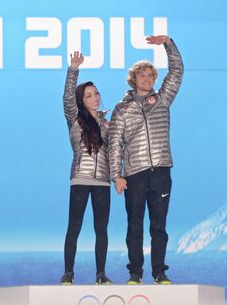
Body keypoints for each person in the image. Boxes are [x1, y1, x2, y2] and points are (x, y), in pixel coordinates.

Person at [108, 35, 183, 285]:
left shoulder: (161, 100)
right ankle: (135, 274)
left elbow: (177, 71)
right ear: (133, 79)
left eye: (151, 76)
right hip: (135, 173)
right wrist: (116, 176)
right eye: (142, 75)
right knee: (135, 227)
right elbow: (114, 144)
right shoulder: (122, 109)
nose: (147, 79)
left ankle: (160, 272)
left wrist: (168, 44)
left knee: (159, 227)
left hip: (161, 171)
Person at [60, 51, 112, 285]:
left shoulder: (108, 124)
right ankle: (68, 273)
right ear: (82, 100)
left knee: (102, 230)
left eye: (96, 93)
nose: (94, 98)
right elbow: (67, 99)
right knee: (75, 227)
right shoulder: (74, 118)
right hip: (80, 179)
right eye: (89, 95)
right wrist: (73, 69)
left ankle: (100, 274)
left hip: (103, 181)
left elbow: (117, 150)